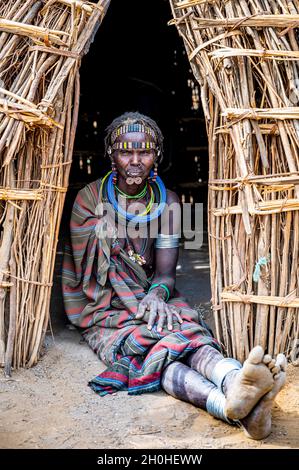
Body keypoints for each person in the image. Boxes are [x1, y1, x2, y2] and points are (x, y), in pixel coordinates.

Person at [62, 112, 287, 440]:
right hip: (105, 311)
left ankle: (232, 381)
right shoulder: (89, 201)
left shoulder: (168, 203)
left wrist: (156, 295)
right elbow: (89, 281)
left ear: (158, 156)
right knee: (152, 350)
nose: (135, 161)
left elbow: (165, 275)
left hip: (154, 300)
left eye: (145, 152)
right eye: (126, 151)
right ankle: (231, 406)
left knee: (186, 333)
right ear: (111, 154)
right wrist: (140, 303)